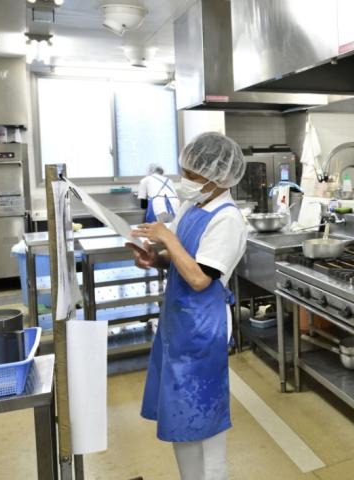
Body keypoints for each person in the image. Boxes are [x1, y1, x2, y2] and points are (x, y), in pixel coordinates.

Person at [127, 132, 247, 480]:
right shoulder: (192, 207)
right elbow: (181, 259)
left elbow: (199, 278)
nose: (186, 181)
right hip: (178, 323)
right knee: (181, 418)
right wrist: (155, 258)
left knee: (204, 421)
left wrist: (166, 237)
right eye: (185, 172)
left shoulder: (227, 219)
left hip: (202, 328)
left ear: (217, 176)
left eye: (192, 175)